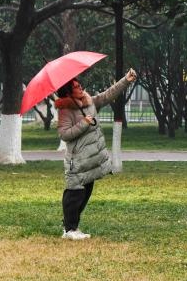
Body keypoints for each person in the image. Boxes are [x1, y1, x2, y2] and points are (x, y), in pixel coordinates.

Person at [55, 68, 137, 240]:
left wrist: (126, 80)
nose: (80, 87)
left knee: (85, 192)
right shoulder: (65, 111)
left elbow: (108, 95)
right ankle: (70, 229)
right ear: (68, 92)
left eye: (79, 85)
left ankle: (71, 225)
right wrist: (84, 123)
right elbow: (64, 134)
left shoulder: (89, 102)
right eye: (76, 87)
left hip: (91, 160)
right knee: (74, 193)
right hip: (77, 160)